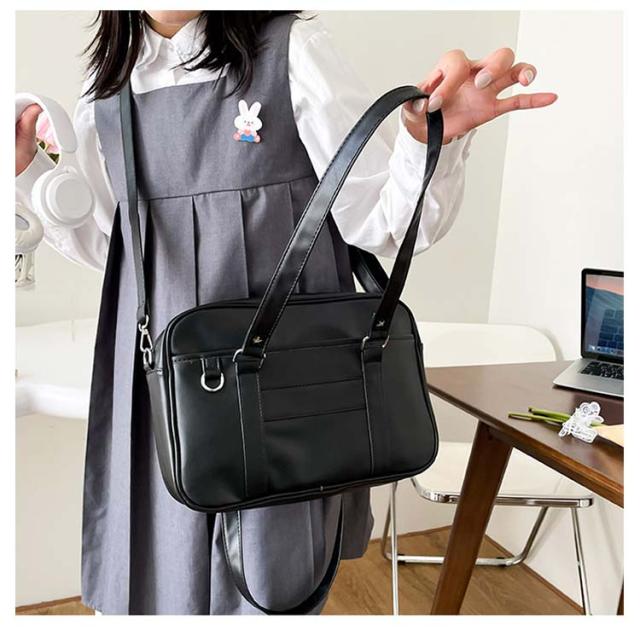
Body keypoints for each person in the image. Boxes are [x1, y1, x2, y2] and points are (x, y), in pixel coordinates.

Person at [14, 10, 556, 615]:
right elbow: (114, 246)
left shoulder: (292, 49)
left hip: (278, 378)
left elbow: (377, 220)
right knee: (158, 565)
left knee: (272, 580)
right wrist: (25, 171)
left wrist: (431, 141)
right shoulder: (109, 85)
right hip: (163, 377)